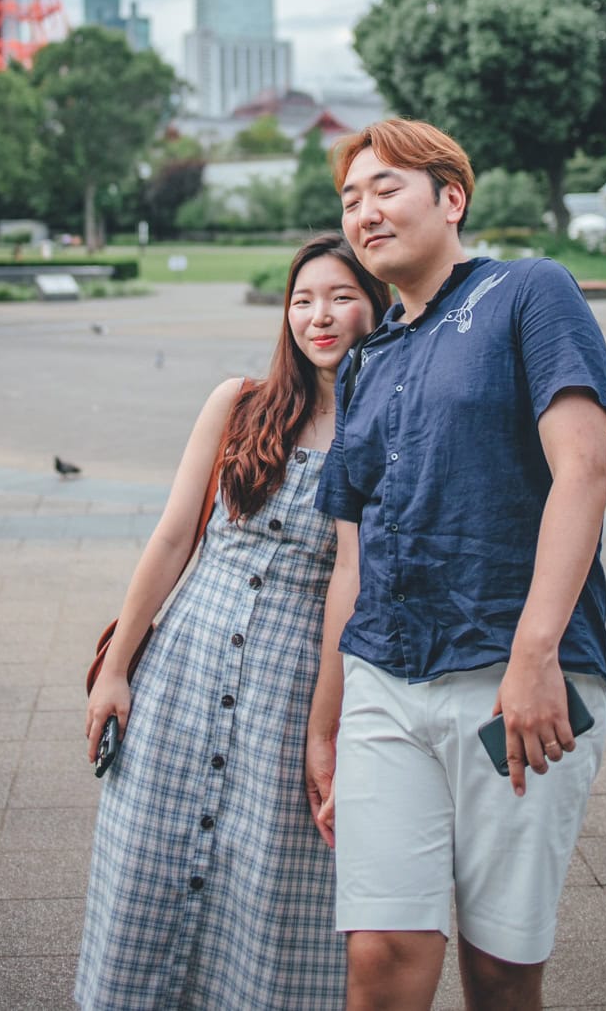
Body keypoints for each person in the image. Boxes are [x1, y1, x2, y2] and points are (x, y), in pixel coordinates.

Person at [305, 119, 606, 1011]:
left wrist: (535, 656)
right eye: (350, 200)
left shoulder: (530, 293)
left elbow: (584, 471)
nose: (364, 213)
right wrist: (326, 724)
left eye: (386, 189)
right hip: (384, 682)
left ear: (452, 198)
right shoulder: (364, 363)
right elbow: (352, 563)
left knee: (500, 970)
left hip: (514, 682)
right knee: (380, 957)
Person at [76, 234, 390, 1011]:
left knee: (270, 885)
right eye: (303, 300)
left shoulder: (387, 426)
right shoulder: (239, 404)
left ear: (377, 305)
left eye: (341, 297)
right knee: (150, 862)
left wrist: (328, 722)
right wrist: (117, 666)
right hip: (184, 668)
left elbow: (355, 580)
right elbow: (173, 537)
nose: (319, 317)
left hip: (294, 685)